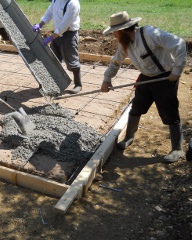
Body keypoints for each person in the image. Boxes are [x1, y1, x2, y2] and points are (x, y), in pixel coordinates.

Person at [100, 11, 187, 163]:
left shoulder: (151, 34)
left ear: (122, 30)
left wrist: (177, 70)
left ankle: (177, 148)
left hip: (165, 78)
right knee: (136, 108)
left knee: (169, 112)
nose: (114, 36)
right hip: (145, 78)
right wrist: (107, 79)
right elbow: (116, 61)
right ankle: (129, 137)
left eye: (115, 32)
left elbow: (179, 43)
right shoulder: (124, 43)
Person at [32, 0, 82, 94]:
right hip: (56, 35)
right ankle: (51, 83)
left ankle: (78, 84)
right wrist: (41, 24)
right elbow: (49, 13)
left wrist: (50, 38)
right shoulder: (56, 0)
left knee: (71, 60)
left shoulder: (73, 4)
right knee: (53, 59)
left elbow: (64, 25)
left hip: (69, 35)